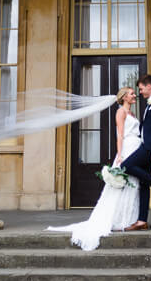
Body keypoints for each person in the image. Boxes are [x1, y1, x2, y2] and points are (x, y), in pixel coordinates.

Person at [46, 86, 141, 250]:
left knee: (134, 184)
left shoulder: (132, 113)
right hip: (127, 149)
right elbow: (119, 134)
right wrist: (120, 154)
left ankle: (130, 218)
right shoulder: (121, 112)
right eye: (132, 93)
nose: (135, 95)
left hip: (136, 147)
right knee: (123, 184)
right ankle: (119, 219)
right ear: (124, 97)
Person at [119, 73, 151, 231]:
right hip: (144, 145)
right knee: (143, 184)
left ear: (148, 86)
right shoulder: (150, 103)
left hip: (149, 148)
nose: (140, 92)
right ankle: (142, 221)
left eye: (140, 89)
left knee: (125, 165)